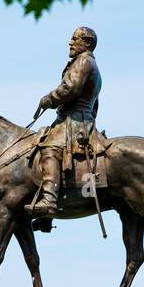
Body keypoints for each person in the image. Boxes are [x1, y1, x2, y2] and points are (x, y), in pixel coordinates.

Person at [29, 26, 103, 218]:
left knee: (49, 149)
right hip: (77, 117)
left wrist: (48, 99)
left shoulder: (83, 61)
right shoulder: (87, 63)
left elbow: (70, 88)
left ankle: (49, 201)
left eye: (74, 39)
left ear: (86, 43)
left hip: (75, 121)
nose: (70, 42)